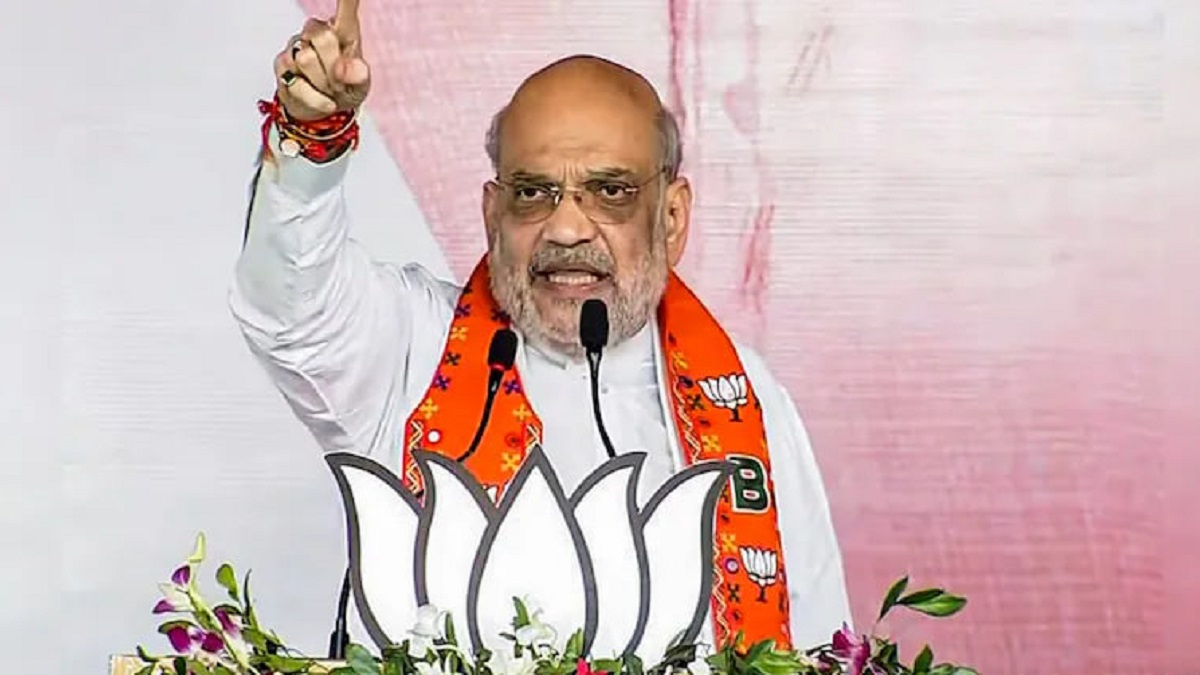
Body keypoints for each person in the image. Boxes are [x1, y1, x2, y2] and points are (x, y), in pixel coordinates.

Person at [229, 0, 852, 653]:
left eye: (610, 192)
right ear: (492, 212)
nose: (567, 228)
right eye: (533, 193)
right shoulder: (413, 346)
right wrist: (313, 136)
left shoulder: (746, 397)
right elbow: (289, 305)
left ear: (671, 218)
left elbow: (818, 640)